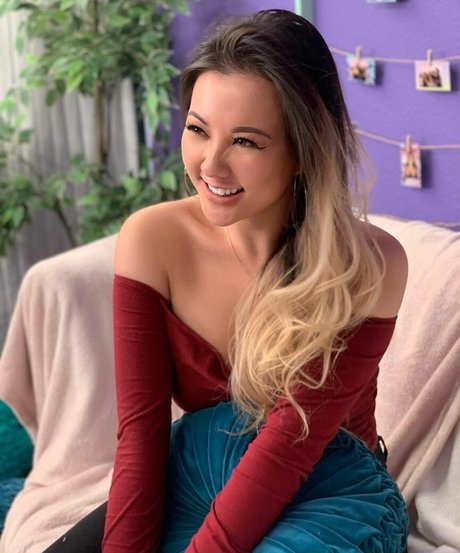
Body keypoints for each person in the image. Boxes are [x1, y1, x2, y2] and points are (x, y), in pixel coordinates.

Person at [44, 9, 409, 553]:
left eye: (246, 141)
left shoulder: (370, 265)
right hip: (203, 473)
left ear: (303, 153)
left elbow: (288, 450)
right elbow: (141, 440)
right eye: (198, 130)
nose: (210, 165)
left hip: (329, 489)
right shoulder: (152, 239)